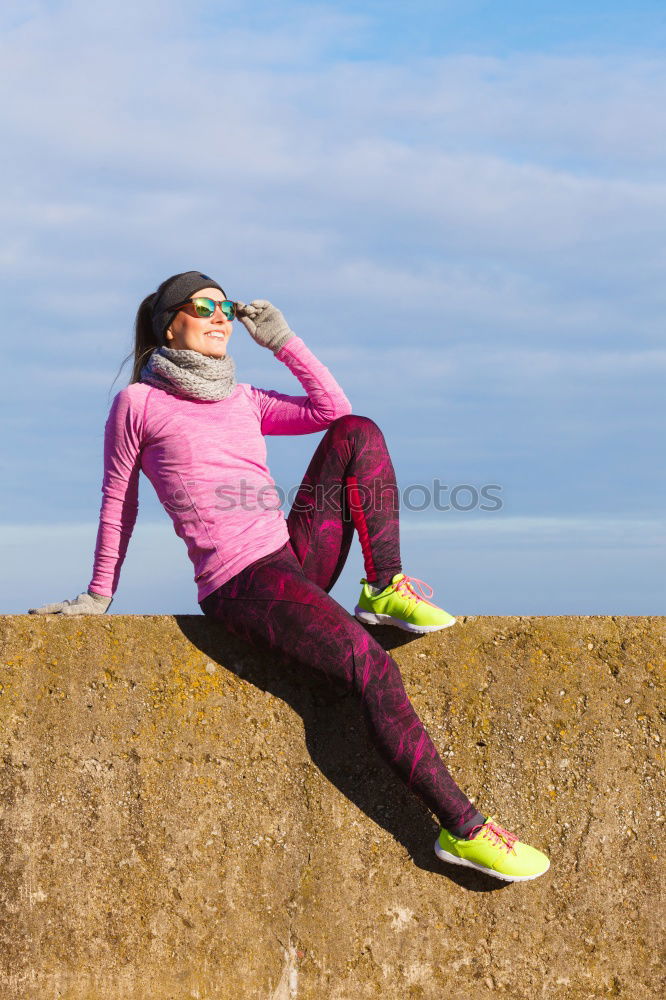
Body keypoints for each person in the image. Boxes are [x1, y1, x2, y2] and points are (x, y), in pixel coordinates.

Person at [29, 270, 550, 883]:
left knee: (357, 433)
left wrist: (284, 341)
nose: (221, 316)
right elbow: (119, 499)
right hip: (241, 582)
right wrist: (99, 593)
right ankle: (462, 831)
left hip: (288, 558)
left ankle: (384, 585)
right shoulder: (140, 404)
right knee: (372, 667)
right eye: (204, 307)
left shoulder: (242, 398)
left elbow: (333, 410)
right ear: (170, 323)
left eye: (226, 306)